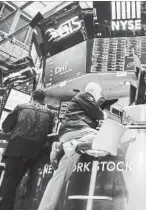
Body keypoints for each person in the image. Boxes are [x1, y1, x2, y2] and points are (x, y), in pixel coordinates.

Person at [38, 82, 105, 210]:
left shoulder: (81, 101)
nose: (99, 96)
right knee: (101, 137)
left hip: (73, 137)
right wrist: (103, 115)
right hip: (75, 132)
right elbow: (99, 114)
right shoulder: (85, 95)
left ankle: (45, 207)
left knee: (60, 174)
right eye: (99, 94)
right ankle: (65, 146)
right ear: (94, 92)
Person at [0, 90, 55, 210]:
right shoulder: (50, 113)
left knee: (10, 184)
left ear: (31, 97)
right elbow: (49, 134)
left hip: (16, 150)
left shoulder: (20, 107)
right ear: (43, 100)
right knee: (32, 184)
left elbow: (5, 127)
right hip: (36, 153)